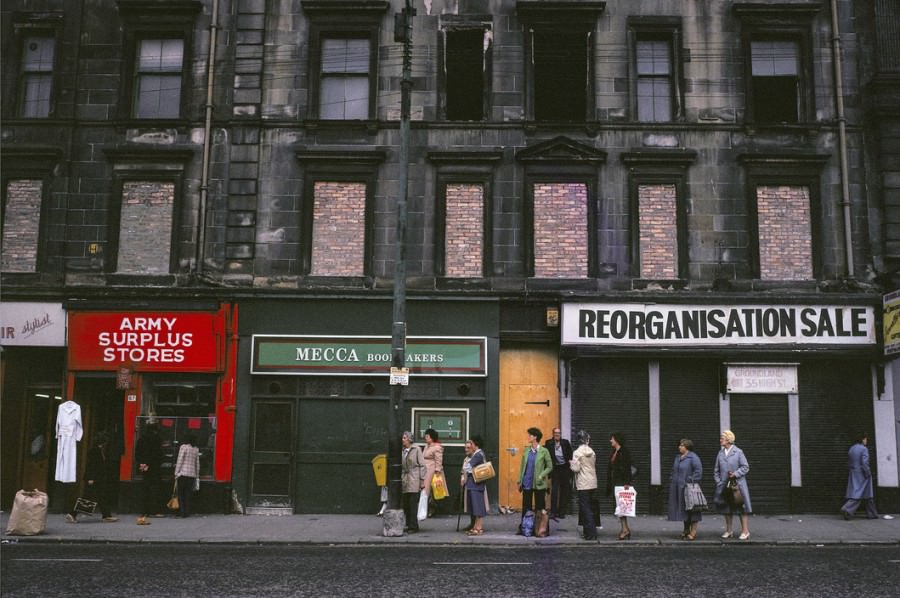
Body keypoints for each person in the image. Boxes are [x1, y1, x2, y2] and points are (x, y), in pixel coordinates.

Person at [66, 431, 119, 523]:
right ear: (102, 442)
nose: (107, 443)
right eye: (105, 441)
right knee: (87, 497)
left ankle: (106, 515)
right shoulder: (94, 451)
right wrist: (90, 478)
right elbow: (91, 465)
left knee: (102, 496)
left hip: (99, 478)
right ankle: (72, 514)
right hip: (94, 478)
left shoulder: (100, 451)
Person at [713, 430, 752, 540]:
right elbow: (716, 470)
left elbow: (745, 467)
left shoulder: (738, 452)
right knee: (726, 508)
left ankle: (745, 531)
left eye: (722, 438)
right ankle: (729, 531)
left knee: (741, 508)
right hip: (724, 486)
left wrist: (735, 474)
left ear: (728, 439)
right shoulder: (720, 453)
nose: (720, 440)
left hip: (737, 485)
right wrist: (719, 482)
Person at [517, 427, 553, 534]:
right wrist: (520, 480)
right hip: (527, 482)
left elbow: (550, 467)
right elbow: (522, 466)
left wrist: (542, 475)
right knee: (526, 507)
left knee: (539, 507)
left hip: (539, 484)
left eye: (530, 435)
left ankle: (541, 529)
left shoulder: (544, 451)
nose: (528, 437)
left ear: (535, 437)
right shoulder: (526, 450)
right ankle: (524, 528)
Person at [668, 438, 703, 540]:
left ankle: (693, 532)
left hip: (689, 488)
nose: (679, 447)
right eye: (679, 445)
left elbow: (698, 472)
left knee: (693, 510)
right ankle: (686, 530)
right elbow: (673, 470)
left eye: (681, 445)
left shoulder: (693, 457)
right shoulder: (678, 457)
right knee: (684, 509)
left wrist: (690, 481)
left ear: (687, 447)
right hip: (678, 488)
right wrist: (672, 479)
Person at [841, 432, 880, 520]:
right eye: (866, 439)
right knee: (860, 493)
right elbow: (864, 463)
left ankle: (872, 513)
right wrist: (868, 473)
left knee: (865, 493)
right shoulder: (863, 449)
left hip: (853, 473)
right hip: (862, 474)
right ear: (862, 439)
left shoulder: (852, 448)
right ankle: (847, 508)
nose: (866, 441)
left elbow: (849, 462)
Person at [569, 430, 598, 541]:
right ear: (587, 440)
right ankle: (588, 532)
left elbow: (576, 469)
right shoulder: (592, 452)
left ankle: (591, 533)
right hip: (592, 482)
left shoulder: (577, 453)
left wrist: (572, 463)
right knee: (589, 507)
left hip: (583, 483)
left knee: (585, 508)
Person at [134, 420, 164, 525]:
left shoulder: (141, 438)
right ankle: (154, 510)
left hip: (144, 467)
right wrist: (151, 463)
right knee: (155, 489)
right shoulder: (156, 439)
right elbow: (158, 453)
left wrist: (142, 463)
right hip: (154, 467)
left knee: (145, 488)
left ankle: (144, 511)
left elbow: (137, 452)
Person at [607, 431, 633, 540]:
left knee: (622, 508)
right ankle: (625, 529)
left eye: (612, 439)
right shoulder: (615, 451)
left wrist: (627, 483)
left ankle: (625, 530)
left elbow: (627, 468)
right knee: (620, 508)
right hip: (616, 482)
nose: (610, 441)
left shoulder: (624, 452)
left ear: (617, 440)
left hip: (622, 483)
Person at [545, 427, 574, 519]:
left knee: (564, 490)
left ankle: (561, 512)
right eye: (555, 433)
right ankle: (553, 512)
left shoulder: (565, 442)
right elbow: (547, 456)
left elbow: (570, 455)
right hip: (555, 469)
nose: (557, 434)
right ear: (553, 434)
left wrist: (570, 468)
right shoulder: (549, 443)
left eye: (559, 433)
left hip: (565, 468)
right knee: (554, 490)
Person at [461, 435, 487, 536]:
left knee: (478, 506)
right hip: (476, 483)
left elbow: (468, 467)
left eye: (471, 443)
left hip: (475, 483)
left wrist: (466, 469)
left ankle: (478, 528)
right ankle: (476, 526)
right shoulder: (479, 453)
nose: (470, 445)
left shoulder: (478, 455)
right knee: (476, 506)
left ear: (475, 444)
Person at [401, 431, 425, 532]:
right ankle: (408, 524)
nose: (402, 440)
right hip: (405, 478)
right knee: (406, 504)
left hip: (414, 477)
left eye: (404, 438)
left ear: (410, 439)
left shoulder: (416, 449)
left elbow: (422, 465)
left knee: (412, 503)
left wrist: (422, 480)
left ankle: (414, 526)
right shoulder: (402, 450)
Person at [174, 433, 200, 518]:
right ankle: (187, 511)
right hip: (191, 475)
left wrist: (176, 473)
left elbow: (180, 460)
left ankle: (181, 512)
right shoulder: (196, 449)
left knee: (180, 493)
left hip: (183, 473)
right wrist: (197, 475)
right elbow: (197, 463)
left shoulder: (183, 447)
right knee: (188, 494)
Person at [422, 428, 444, 517]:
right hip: (425, 470)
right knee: (425, 490)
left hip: (432, 471)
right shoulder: (426, 446)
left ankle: (432, 508)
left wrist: (437, 471)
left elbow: (439, 460)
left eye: (427, 436)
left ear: (431, 437)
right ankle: (425, 508)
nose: (425, 438)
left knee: (431, 490)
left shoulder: (437, 447)